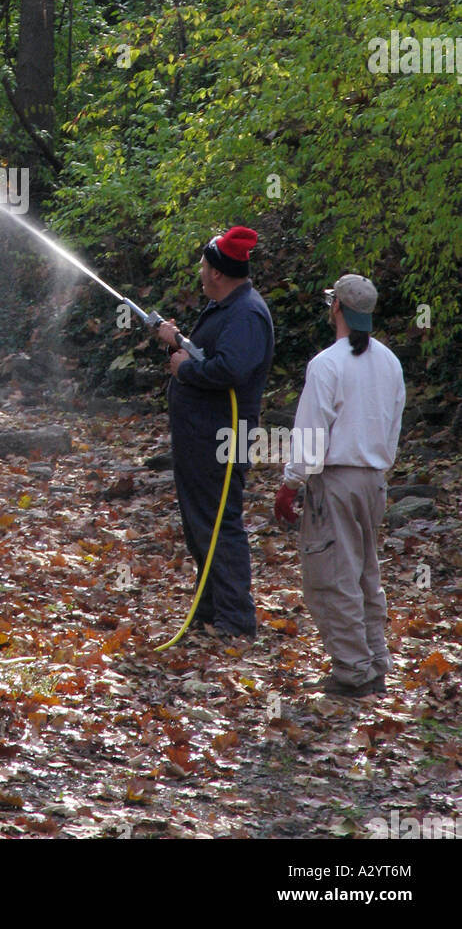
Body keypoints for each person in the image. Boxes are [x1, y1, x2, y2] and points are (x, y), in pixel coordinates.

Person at [275, 274, 405, 697]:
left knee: (332, 576)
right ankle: (374, 662)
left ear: (336, 309)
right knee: (366, 572)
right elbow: (393, 427)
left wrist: (291, 483)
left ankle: (353, 672)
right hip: (375, 482)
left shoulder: (327, 363)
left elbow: (312, 434)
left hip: (336, 482)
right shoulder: (390, 362)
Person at [156, 226, 274, 639]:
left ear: (219, 273)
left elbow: (230, 369)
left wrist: (185, 368)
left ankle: (236, 622)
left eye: (205, 266)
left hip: (222, 438)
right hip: (202, 437)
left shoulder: (247, 314)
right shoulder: (227, 307)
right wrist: (176, 345)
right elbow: (211, 356)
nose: (201, 273)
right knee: (199, 524)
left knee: (220, 524)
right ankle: (210, 611)